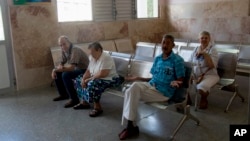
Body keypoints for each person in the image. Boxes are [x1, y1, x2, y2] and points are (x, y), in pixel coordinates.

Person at [118, 34, 185, 140]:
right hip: (151, 85)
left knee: (130, 92)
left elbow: (181, 80)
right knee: (133, 87)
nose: (165, 45)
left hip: (163, 92)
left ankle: (130, 126)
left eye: (168, 43)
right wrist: (138, 78)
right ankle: (130, 126)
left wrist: (176, 83)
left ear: (173, 45)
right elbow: (153, 78)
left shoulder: (177, 60)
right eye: (163, 42)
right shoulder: (158, 58)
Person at [73, 42, 124, 117]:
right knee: (78, 79)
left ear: (99, 50)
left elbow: (103, 74)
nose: (91, 55)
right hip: (97, 77)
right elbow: (88, 70)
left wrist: (88, 80)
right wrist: (83, 79)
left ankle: (97, 107)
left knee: (93, 84)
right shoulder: (92, 57)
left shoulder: (106, 57)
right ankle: (84, 102)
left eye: (93, 53)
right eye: (90, 53)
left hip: (110, 79)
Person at [51, 36, 89, 108]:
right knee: (58, 73)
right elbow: (62, 62)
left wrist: (55, 70)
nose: (62, 46)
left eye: (64, 44)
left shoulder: (75, 50)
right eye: (60, 45)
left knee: (65, 75)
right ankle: (63, 95)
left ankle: (74, 99)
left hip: (86, 70)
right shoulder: (64, 50)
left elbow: (71, 68)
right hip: (77, 69)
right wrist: (57, 69)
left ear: (68, 42)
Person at [189, 31, 219, 109]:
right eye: (202, 38)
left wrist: (204, 54)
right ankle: (187, 98)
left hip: (209, 75)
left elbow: (212, 65)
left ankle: (204, 98)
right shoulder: (196, 49)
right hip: (195, 74)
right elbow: (190, 62)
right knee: (182, 81)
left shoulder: (213, 50)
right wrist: (190, 74)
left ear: (209, 39)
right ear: (199, 40)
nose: (204, 39)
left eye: (206, 38)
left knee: (201, 88)